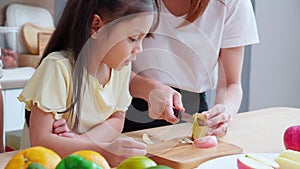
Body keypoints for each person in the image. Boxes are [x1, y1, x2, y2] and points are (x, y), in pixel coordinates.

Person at [17, 0, 159, 167]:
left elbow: (117, 119)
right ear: (97, 26)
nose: (139, 48)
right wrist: (102, 150)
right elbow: (40, 140)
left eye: (144, 38)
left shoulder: (121, 70)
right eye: (133, 38)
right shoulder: (58, 68)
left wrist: (81, 141)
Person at [124, 0, 259, 139]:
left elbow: (232, 84)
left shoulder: (233, 3)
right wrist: (148, 89)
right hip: (126, 106)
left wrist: (224, 112)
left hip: (193, 113)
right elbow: (107, 64)